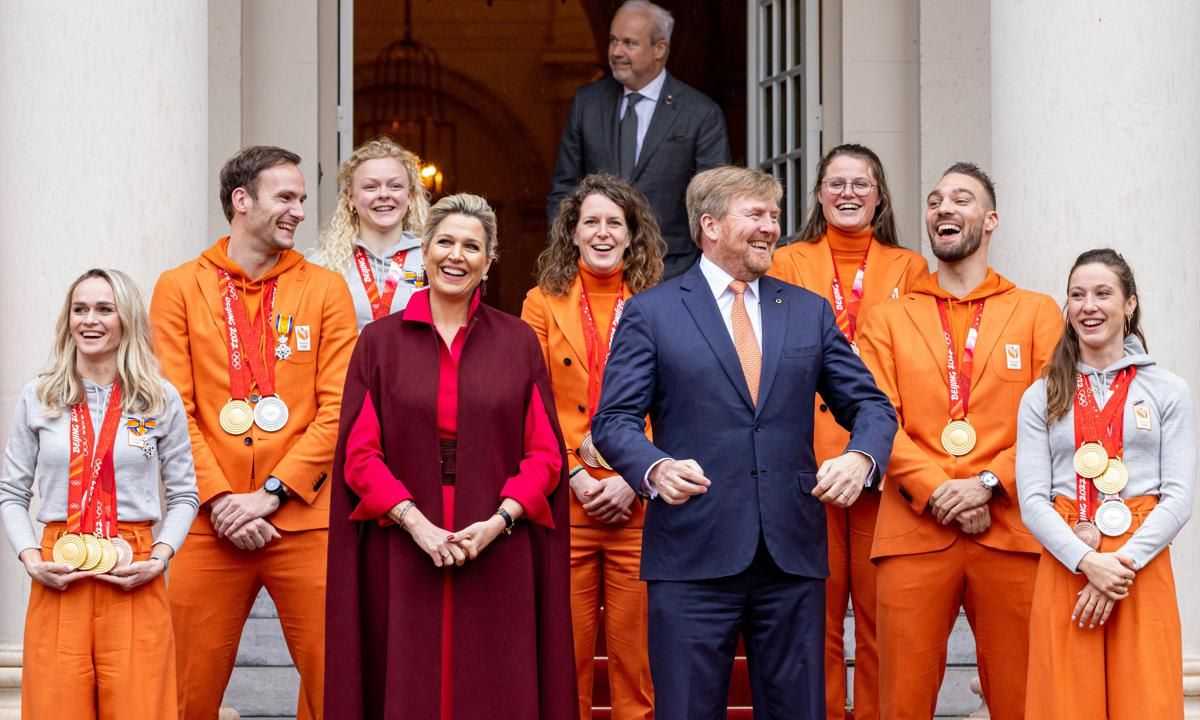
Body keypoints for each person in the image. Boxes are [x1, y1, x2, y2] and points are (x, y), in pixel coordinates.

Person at [592, 166, 898, 719]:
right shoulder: (652, 312)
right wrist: (655, 469)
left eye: (774, 216)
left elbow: (872, 406)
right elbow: (613, 420)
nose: (770, 228)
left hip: (791, 558)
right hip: (691, 554)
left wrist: (861, 456)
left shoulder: (807, 311)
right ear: (709, 225)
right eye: (755, 215)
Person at [325, 193, 575, 720]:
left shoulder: (518, 342)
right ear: (425, 252)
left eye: (471, 246)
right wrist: (418, 525)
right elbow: (360, 455)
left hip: (497, 544)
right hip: (403, 543)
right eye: (444, 242)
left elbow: (546, 455)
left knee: (495, 690)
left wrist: (498, 522)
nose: (455, 255)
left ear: (488, 261)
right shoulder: (378, 343)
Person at [150, 145, 358, 720]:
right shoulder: (178, 288)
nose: (297, 211)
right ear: (242, 201)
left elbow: (339, 409)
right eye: (284, 198)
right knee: (182, 693)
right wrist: (220, 501)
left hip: (304, 519)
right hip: (206, 524)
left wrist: (269, 496)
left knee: (335, 687)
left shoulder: (326, 290)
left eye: (301, 199)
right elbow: (171, 409)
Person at [855, 162, 1062, 720]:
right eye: (935, 200)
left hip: (1011, 529)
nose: (944, 208)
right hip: (914, 527)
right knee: (899, 700)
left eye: (962, 199)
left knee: (1023, 699)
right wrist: (941, 491)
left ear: (990, 220)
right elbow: (873, 416)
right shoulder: (888, 318)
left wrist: (988, 485)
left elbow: (1056, 421)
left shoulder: (1038, 312)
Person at [768, 143, 927, 720]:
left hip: (877, 457)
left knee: (883, 616)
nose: (848, 194)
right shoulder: (788, 261)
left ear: (880, 196)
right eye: (836, 183)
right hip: (806, 457)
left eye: (861, 184)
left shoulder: (909, 268)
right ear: (817, 194)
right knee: (818, 614)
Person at [0, 268, 199, 719]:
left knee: (142, 709)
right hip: (58, 569)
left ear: (125, 318)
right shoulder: (40, 396)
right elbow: (11, 492)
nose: (90, 320)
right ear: (67, 319)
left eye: (104, 309)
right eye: (80, 309)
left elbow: (186, 494)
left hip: (134, 569)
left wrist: (161, 556)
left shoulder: (158, 399)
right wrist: (32, 558)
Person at [1015, 248, 1194, 719]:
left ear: (1129, 304)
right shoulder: (1042, 393)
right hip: (1067, 554)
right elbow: (1032, 499)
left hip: (1141, 557)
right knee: (1065, 702)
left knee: (1147, 700)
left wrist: (1117, 565)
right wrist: (1086, 561)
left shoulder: (1167, 389)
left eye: (1102, 293)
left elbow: (1178, 498)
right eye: (1077, 295)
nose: (1088, 306)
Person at [522, 173, 665, 720]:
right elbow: (529, 399)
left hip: (641, 501)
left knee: (637, 660)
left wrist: (635, 476)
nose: (602, 233)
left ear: (632, 236)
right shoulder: (541, 303)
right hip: (567, 496)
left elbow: (676, 399)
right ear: (573, 233)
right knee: (567, 656)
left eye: (615, 223)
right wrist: (577, 477)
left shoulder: (662, 301)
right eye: (591, 223)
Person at [548, 0, 730, 281]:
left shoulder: (700, 113)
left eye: (629, 43)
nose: (616, 52)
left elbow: (714, 204)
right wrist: (565, 255)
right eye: (613, 41)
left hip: (671, 270)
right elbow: (564, 189)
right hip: (596, 269)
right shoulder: (588, 102)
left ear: (660, 49)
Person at [311, 136, 431, 331]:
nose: (384, 194)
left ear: (410, 197)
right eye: (370, 187)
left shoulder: (432, 260)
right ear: (350, 198)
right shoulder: (323, 264)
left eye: (395, 186)